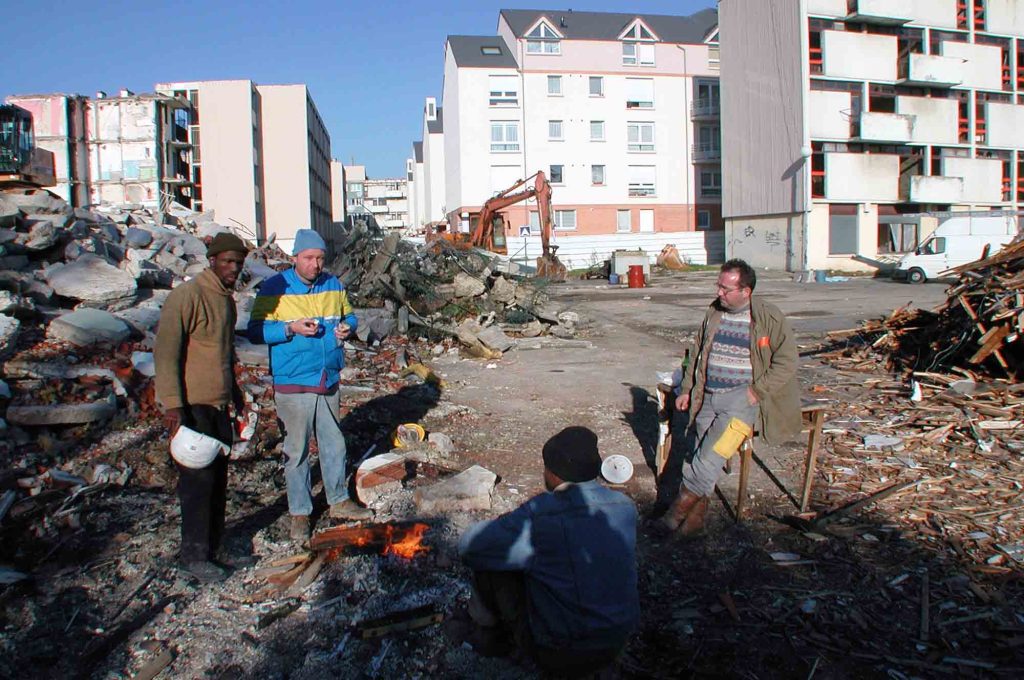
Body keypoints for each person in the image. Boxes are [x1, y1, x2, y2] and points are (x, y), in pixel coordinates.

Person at [458, 427, 639, 676]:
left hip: (562, 651)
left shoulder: (544, 514)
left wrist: (505, 525)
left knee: (492, 562)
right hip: (617, 639)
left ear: (553, 473)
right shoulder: (625, 507)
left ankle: (491, 640)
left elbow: (470, 546)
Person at [247, 229, 371, 545]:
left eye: (319, 258)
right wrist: (289, 328)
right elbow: (255, 331)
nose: (315, 264)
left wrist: (347, 328)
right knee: (297, 450)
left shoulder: (333, 284)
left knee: (333, 443)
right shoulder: (274, 289)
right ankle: (300, 512)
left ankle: (339, 500)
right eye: (309, 258)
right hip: (293, 380)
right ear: (294, 259)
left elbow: (351, 317)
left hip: (326, 377)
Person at [662, 259, 801, 537]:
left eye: (726, 289)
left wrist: (754, 392)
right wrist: (688, 389)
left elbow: (786, 362)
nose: (719, 293)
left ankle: (674, 514)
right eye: (719, 286)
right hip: (709, 396)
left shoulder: (768, 318)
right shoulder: (714, 313)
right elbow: (697, 352)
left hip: (740, 401)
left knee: (711, 457)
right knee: (697, 454)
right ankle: (694, 524)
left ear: (746, 291)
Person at [154, 231, 251, 583]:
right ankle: (192, 556)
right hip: (192, 405)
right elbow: (166, 353)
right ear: (212, 260)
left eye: (238, 263)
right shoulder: (187, 297)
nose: (233, 268)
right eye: (227, 261)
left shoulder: (225, 299)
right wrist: (173, 406)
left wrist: (236, 392)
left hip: (218, 403)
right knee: (197, 483)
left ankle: (213, 549)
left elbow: (224, 352)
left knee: (218, 481)